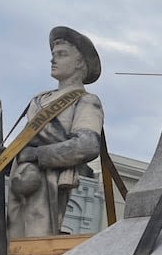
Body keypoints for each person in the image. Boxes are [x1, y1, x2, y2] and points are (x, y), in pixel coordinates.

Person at [6, 26, 104, 239]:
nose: (53, 60)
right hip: (20, 179)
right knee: (10, 243)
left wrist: (39, 155)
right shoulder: (38, 100)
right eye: (53, 55)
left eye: (62, 54)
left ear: (80, 63)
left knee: (35, 242)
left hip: (48, 184)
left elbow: (87, 145)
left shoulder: (86, 101)